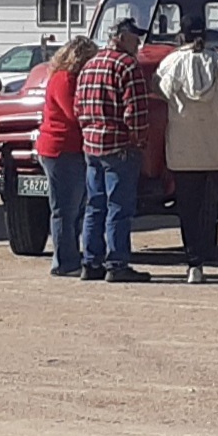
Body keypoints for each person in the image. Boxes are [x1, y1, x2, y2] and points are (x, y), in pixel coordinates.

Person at [156, 14, 218, 283]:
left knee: (189, 209)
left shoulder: (167, 66)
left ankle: (194, 265)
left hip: (183, 154)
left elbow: (158, 102)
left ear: (182, 35)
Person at [78, 18, 155, 283]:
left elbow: (79, 106)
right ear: (121, 37)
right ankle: (117, 263)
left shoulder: (89, 65)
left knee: (94, 205)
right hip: (119, 146)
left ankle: (90, 261)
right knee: (119, 207)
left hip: (91, 146)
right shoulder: (127, 65)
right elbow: (136, 110)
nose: (139, 43)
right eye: (135, 37)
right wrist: (139, 140)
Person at [35, 36, 99, 277]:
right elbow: (74, 113)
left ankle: (70, 257)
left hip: (70, 149)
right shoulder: (64, 79)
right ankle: (64, 261)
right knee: (65, 209)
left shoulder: (66, 78)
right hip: (61, 150)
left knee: (75, 208)